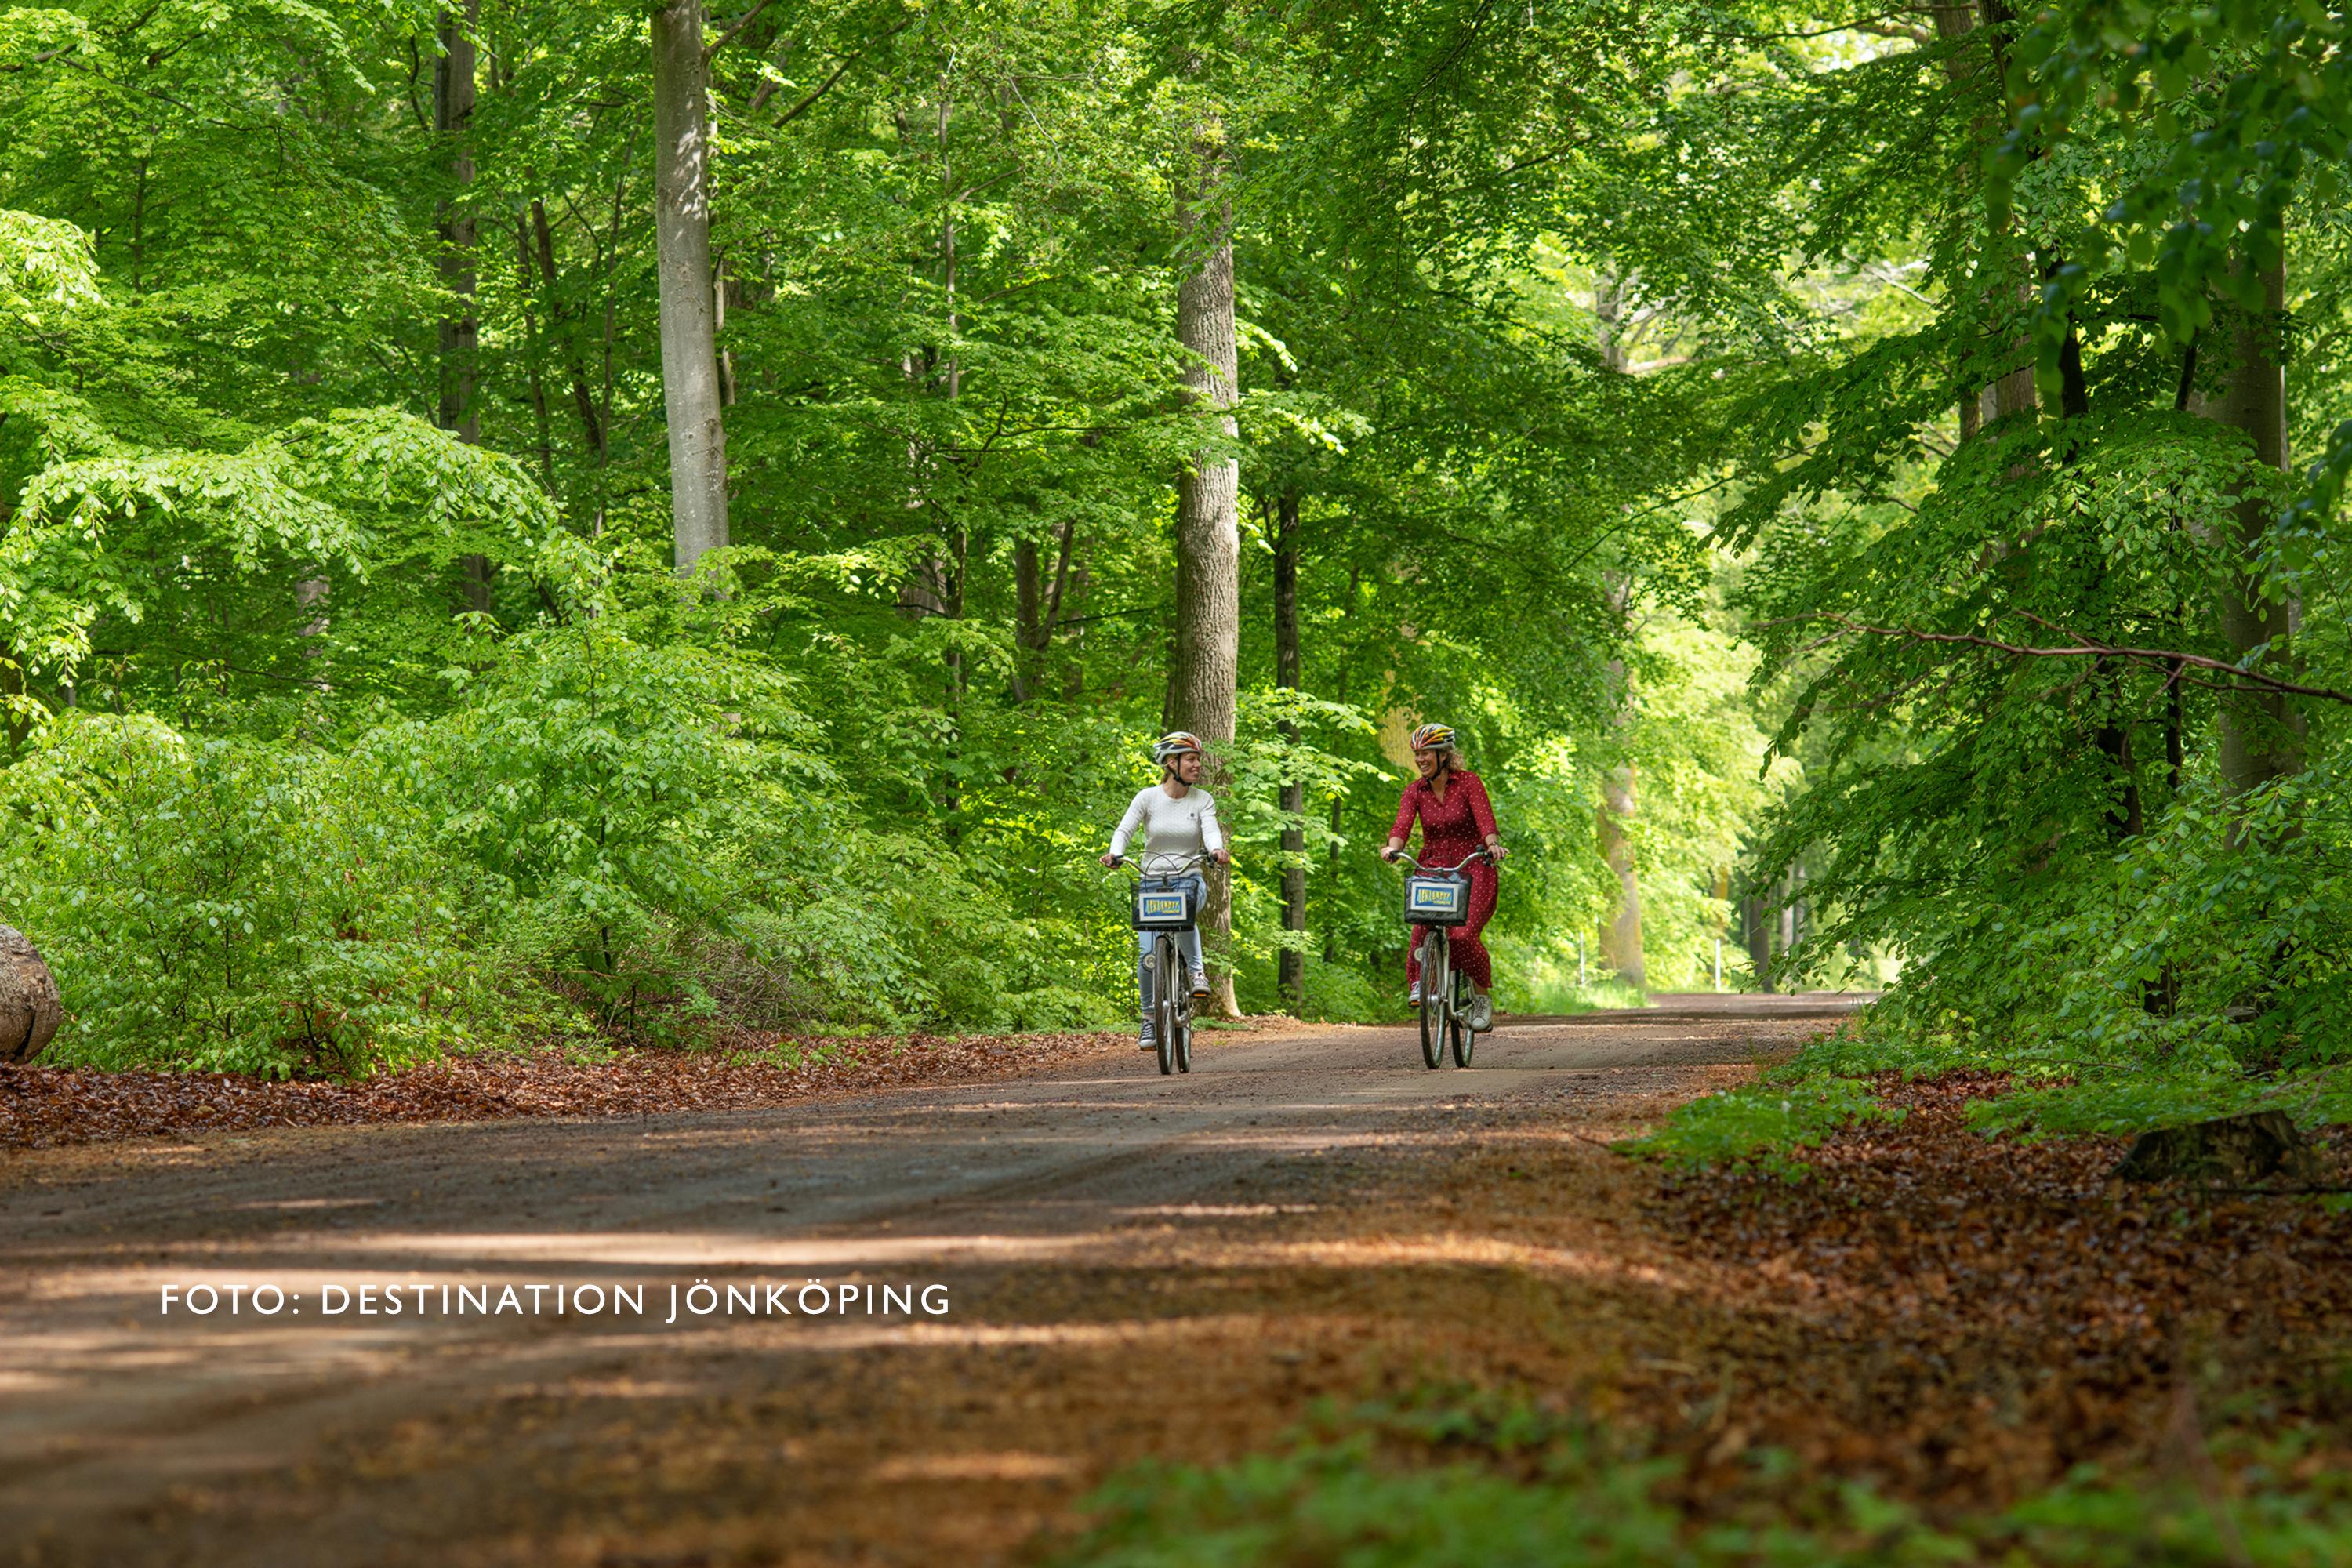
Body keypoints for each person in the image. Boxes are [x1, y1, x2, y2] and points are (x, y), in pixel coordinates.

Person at [1102, 731, 1230, 1051]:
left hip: (1190, 879)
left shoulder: (1202, 800)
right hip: (1151, 881)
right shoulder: (1147, 798)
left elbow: (1211, 830)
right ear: (1171, 763)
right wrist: (1115, 853)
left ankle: (1197, 972)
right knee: (1147, 956)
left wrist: (1216, 850)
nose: (1197, 765)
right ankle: (1149, 1021)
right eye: (1191, 759)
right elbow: (1125, 829)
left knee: (1184, 913)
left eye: (1198, 760)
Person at [1380, 722, 1509, 1031]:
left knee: (1462, 935)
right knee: (1421, 926)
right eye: (1417, 754)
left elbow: (1486, 822)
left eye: (1426, 753)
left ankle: (1480, 998)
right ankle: (1422, 983)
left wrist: (1492, 846)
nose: (1420, 759)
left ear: (1443, 755)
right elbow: (1401, 827)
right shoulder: (1414, 791)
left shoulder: (1469, 783)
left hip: (1473, 865)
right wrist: (1391, 848)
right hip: (1434, 866)